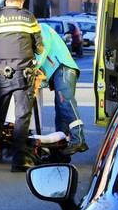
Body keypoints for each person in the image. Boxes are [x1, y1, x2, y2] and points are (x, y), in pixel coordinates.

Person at [0, 0, 43, 172]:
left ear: (7, 1)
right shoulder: (29, 18)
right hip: (23, 75)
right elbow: (39, 47)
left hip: (1, 75)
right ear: (21, 3)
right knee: (22, 118)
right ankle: (18, 161)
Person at [36, 22, 89, 155]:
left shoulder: (42, 28)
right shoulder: (38, 32)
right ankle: (60, 149)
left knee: (65, 104)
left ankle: (79, 139)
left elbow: (43, 50)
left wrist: (33, 66)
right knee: (61, 111)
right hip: (60, 71)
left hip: (63, 68)